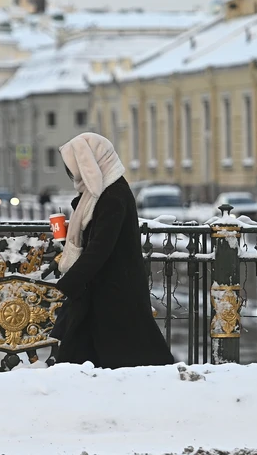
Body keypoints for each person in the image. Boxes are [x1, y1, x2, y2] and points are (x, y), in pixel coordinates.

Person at [49, 132, 175, 368]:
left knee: (128, 355)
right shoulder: (102, 193)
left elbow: (101, 247)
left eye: (75, 166)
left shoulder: (113, 195)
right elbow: (97, 235)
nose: (73, 173)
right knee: (97, 353)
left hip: (115, 290)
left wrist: (69, 282)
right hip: (107, 288)